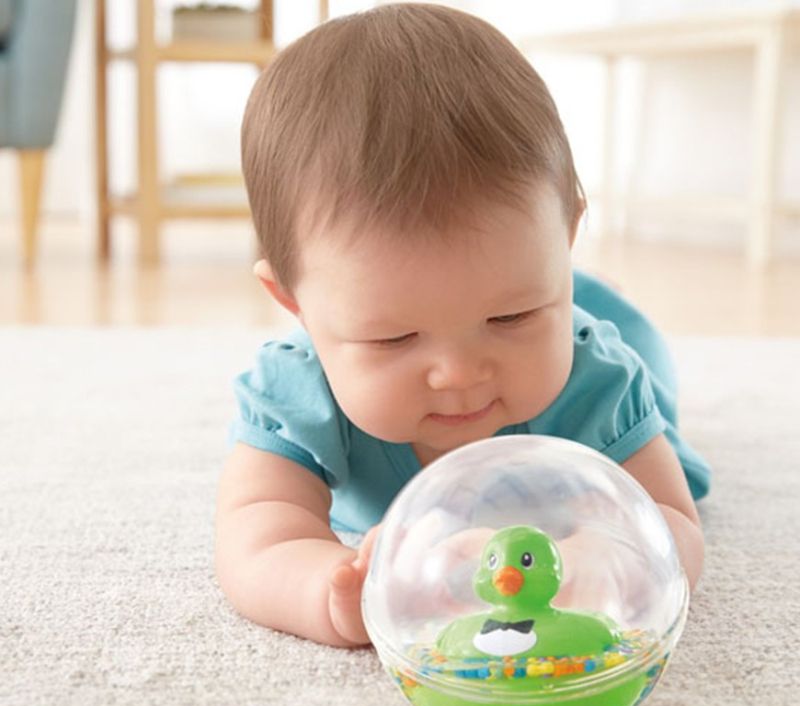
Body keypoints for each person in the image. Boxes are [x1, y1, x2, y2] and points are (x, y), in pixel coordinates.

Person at [215, 3, 710, 648]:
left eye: (509, 316)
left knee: (640, 355)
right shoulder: (295, 390)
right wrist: (330, 589)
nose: (459, 374)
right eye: (394, 338)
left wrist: (605, 561)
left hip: (602, 334)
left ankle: (586, 296)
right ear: (294, 303)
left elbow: (673, 522)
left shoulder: (599, 383)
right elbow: (256, 536)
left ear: (566, 238)